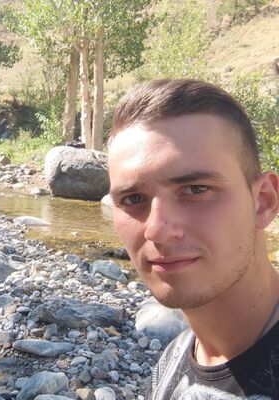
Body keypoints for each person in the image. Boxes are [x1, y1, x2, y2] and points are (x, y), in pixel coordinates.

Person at [108, 79, 279, 399]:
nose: (157, 230)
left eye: (196, 189)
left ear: (263, 202)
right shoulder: (171, 364)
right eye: (133, 199)